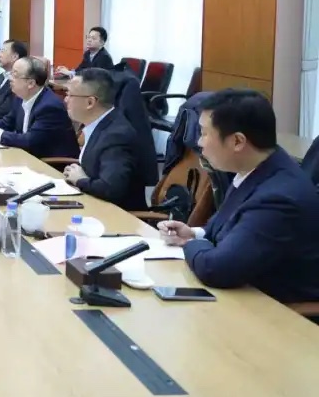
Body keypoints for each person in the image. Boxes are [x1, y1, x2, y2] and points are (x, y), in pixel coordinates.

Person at [158, 89, 319, 304]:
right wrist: (194, 233)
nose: (199, 142)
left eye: (204, 133)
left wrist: (187, 244)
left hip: (276, 310)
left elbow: (216, 268)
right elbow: (223, 227)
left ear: (237, 142)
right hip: (245, 293)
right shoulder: (258, 167)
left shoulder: (279, 198)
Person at [0, 56, 79, 159]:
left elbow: (28, 141)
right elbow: (6, 123)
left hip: (51, 165)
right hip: (27, 157)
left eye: (15, 75)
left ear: (31, 83)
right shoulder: (20, 97)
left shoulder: (49, 107)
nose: (10, 78)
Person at [60, 68, 147, 210]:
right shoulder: (102, 124)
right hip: (92, 204)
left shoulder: (116, 136)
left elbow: (111, 189)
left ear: (90, 102)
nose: (65, 99)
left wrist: (80, 180)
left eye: (70, 95)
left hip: (117, 216)